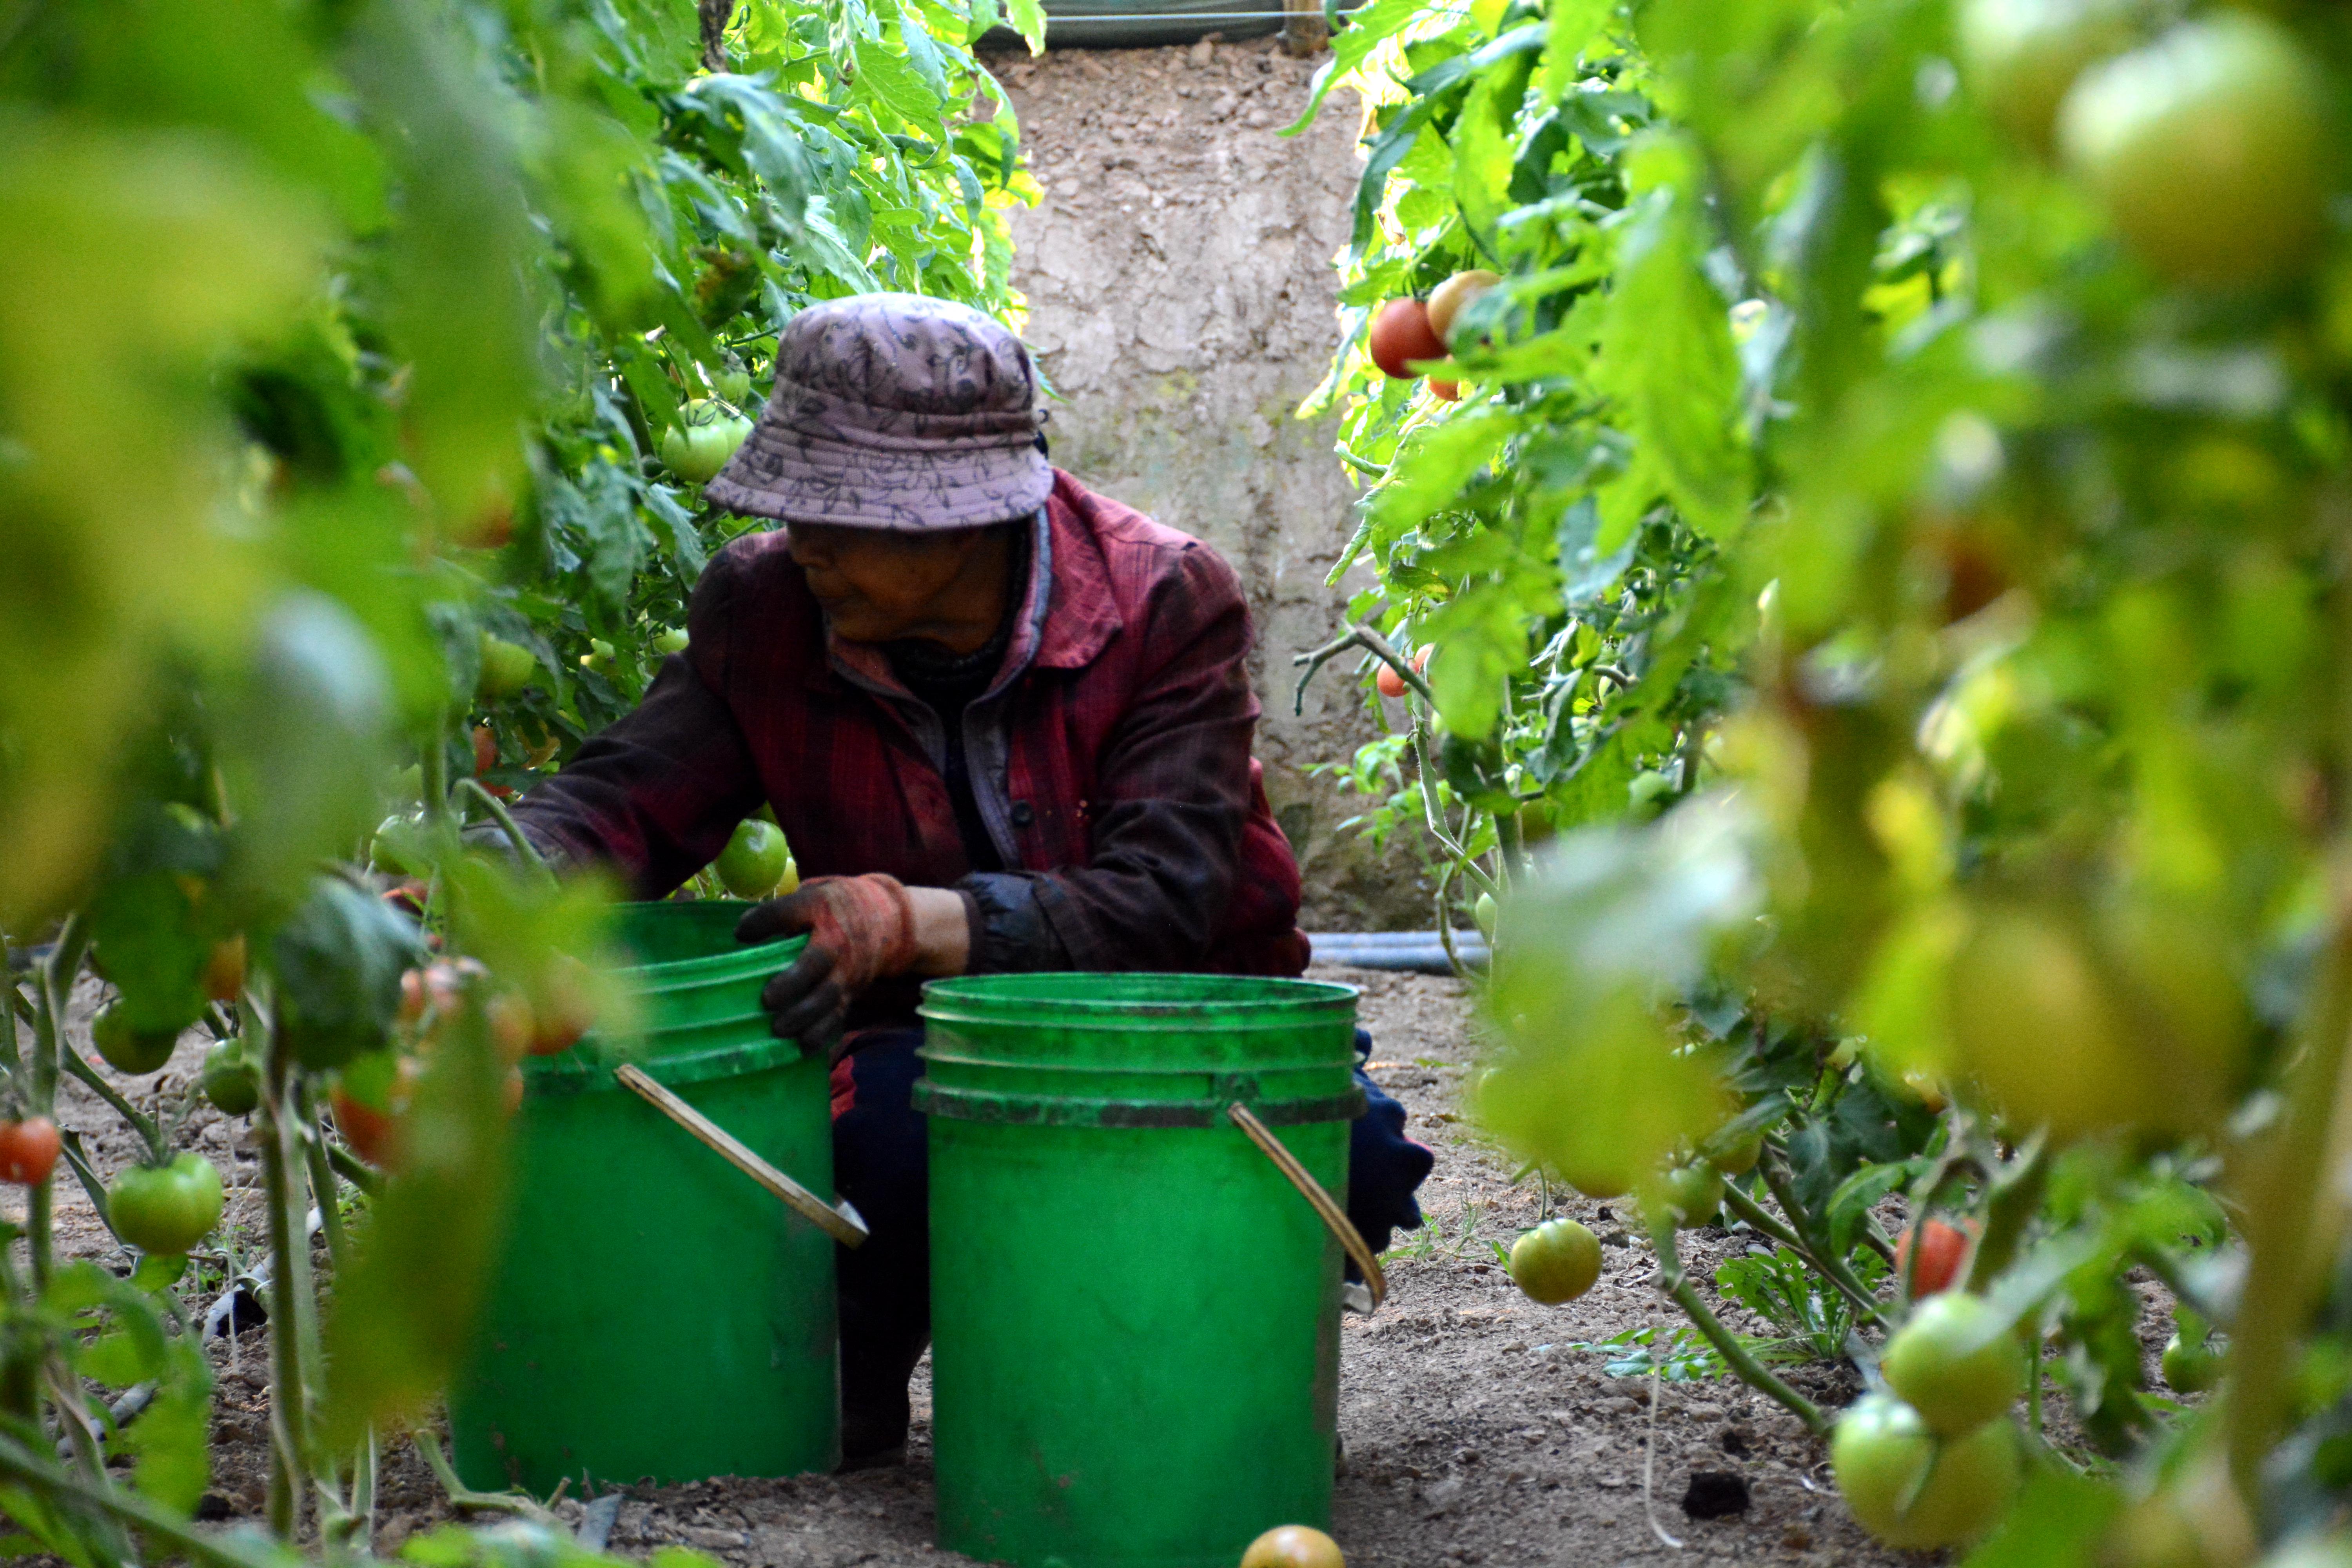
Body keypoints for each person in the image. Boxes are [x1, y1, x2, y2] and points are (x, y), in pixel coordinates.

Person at [491, 293, 1434, 1468]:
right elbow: (628, 798)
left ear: (964, 521)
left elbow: (1165, 898)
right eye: (796, 506)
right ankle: (864, 1372)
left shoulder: (1160, 603)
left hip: (1171, 1025)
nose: (806, 540)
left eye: (843, 510)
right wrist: (474, 887)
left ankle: (1160, 1338)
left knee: (1354, 1158)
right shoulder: (766, 609)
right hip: (915, 1048)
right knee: (880, 1144)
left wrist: (906, 921)